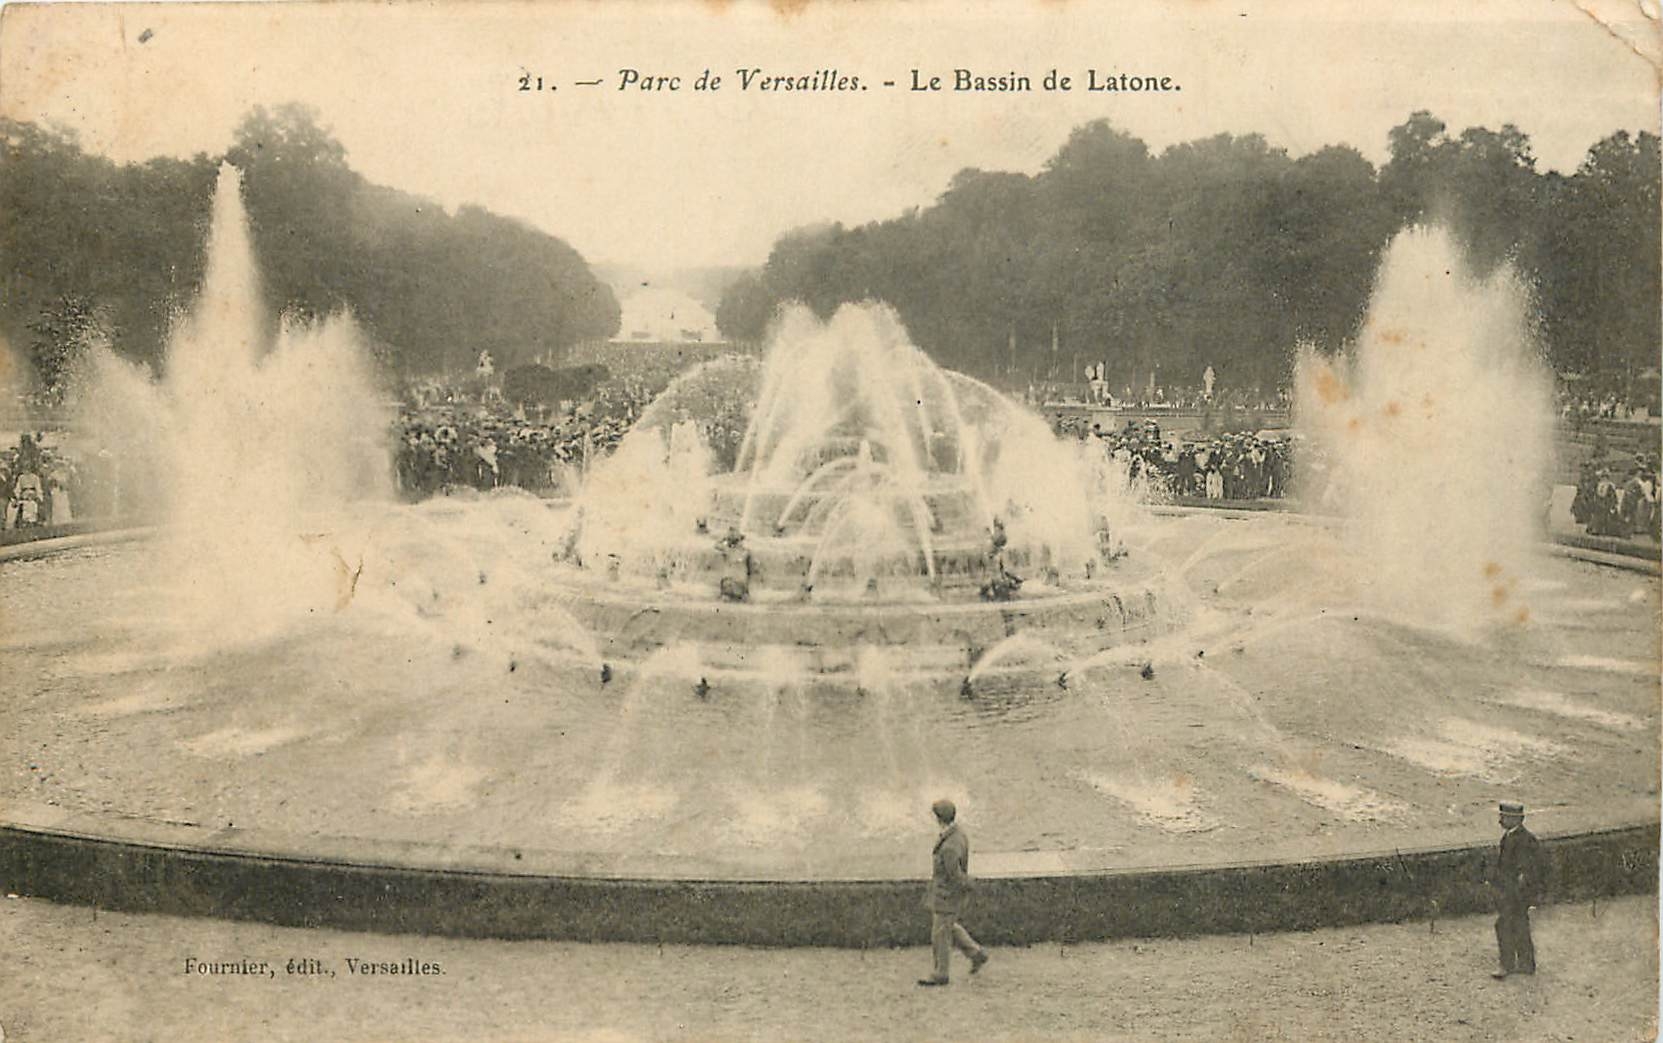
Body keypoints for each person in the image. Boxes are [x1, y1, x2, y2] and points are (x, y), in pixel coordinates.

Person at [918, 798, 988, 986]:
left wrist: (966, 886)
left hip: (946, 895)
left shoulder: (949, 846)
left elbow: (954, 874)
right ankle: (976, 954)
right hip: (948, 894)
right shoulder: (958, 834)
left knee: (939, 934)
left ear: (939, 819)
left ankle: (941, 973)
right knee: (949, 927)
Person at [1490, 801, 1546, 979]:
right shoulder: (1514, 836)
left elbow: (1526, 870)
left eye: (1503, 817)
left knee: (1504, 925)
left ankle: (1507, 965)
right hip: (1514, 892)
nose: (1500, 820)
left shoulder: (1521, 839)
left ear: (1514, 820)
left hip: (1515, 893)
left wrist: (1514, 892)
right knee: (1519, 926)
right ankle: (1526, 964)